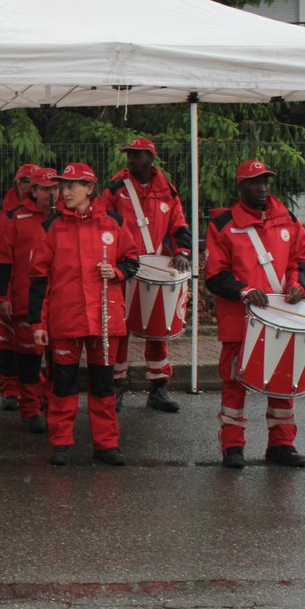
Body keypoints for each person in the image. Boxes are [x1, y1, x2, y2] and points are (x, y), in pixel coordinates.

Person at [204, 159, 305, 469]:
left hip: (280, 320)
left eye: (266, 180)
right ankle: (232, 447)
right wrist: (243, 291)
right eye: (255, 182)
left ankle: (281, 445)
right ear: (241, 186)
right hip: (239, 321)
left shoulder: (287, 219)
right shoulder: (223, 224)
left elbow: (301, 260)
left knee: (282, 382)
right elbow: (215, 275)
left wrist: (297, 286)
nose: (263, 186)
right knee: (234, 382)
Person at [28, 163, 139, 467]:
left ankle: (106, 445)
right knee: (62, 383)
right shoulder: (52, 226)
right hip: (65, 319)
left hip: (105, 319)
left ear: (90, 188)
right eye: (63, 186)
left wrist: (115, 272)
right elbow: (38, 278)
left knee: (103, 385)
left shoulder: (114, 223)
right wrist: (38, 323)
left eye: (72, 186)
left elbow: (132, 260)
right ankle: (61, 443)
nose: (65, 192)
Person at [99, 138, 192, 413]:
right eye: (129, 155)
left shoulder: (167, 191)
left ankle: (158, 388)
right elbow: (104, 222)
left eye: (137, 156)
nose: (131, 160)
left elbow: (179, 225)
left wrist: (183, 252)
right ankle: (116, 387)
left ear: (150, 158)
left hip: (156, 266)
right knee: (120, 330)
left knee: (158, 330)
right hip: (123, 266)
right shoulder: (116, 188)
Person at [0, 167, 58, 433]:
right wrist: (2, 296)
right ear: (34, 190)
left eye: (54, 188)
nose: (50, 194)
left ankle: (52, 403)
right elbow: (3, 259)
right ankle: (29, 408)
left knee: (58, 359)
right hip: (26, 299)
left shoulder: (66, 217)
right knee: (29, 358)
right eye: (44, 189)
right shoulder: (14, 217)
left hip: (60, 300)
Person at [0, 164, 39, 411]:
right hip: (9, 287)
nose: (28, 185)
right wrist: (1, 293)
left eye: (32, 180)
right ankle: (9, 388)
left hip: (32, 291)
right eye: (24, 180)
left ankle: (33, 394)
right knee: (7, 342)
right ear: (17, 183)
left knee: (33, 346)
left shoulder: (51, 212)